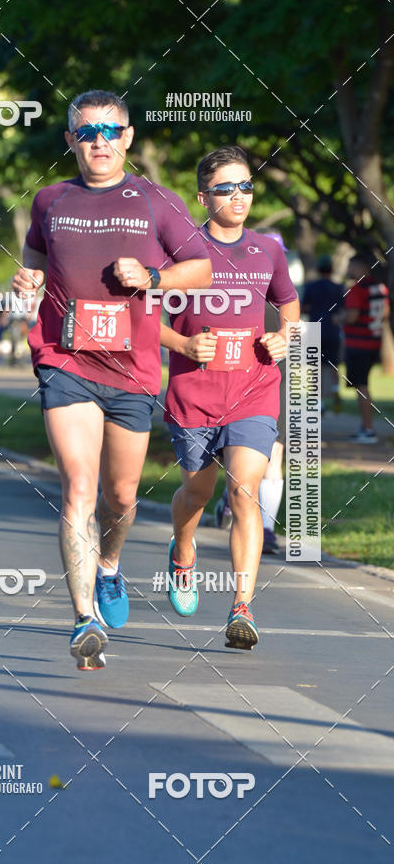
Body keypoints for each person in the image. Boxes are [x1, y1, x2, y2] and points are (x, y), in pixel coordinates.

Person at [12, 89, 211, 670]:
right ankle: (82, 620)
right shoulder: (49, 200)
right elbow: (33, 260)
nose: (98, 141)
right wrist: (27, 281)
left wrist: (152, 274)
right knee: (77, 486)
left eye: (109, 130)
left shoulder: (155, 200)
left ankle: (109, 566)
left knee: (120, 496)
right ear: (70, 140)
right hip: (64, 359)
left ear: (127, 137)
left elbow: (199, 268)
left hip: (132, 368)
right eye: (86, 131)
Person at [161, 145, 300, 649]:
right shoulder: (178, 252)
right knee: (197, 494)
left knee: (245, 491)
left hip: (254, 388)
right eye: (226, 188)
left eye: (246, 186)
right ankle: (182, 549)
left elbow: (288, 303)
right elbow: (140, 316)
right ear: (203, 197)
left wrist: (285, 336)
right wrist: (182, 344)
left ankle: (242, 607)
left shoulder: (268, 249)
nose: (239, 196)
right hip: (193, 395)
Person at [215, 228, 294, 556]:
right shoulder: (231, 291)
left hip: (274, 384)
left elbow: (300, 342)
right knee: (236, 457)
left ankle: (267, 529)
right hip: (230, 384)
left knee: (273, 455)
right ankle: (229, 497)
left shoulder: (289, 299)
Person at [342, 254, 389, 443]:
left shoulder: (357, 289)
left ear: (362, 267)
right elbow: (385, 312)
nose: (348, 269)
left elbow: (352, 316)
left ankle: (368, 429)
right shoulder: (380, 287)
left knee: (361, 386)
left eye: (351, 266)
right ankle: (365, 426)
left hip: (358, 343)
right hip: (374, 340)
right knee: (363, 384)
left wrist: (339, 319)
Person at [302, 254, 344, 414]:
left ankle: (318, 403)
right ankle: (335, 390)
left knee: (315, 368)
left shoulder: (311, 287)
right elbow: (342, 309)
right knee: (334, 366)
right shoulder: (339, 287)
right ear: (332, 269)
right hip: (333, 331)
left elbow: (304, 308)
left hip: (315, 330)